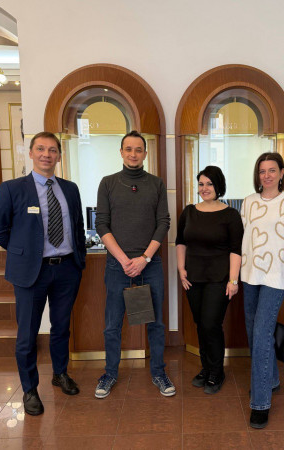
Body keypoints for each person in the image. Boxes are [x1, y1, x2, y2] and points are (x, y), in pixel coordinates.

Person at [0, 132, 86, 416]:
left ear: (59, 156)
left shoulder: (70, 189)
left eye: (52, 150)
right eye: (41, 149)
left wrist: (78, 259)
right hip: (31, 272)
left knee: (61, 327)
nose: (47, 154)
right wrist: (23, 252)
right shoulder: (12, 189)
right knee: (28, 334)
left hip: (66, 269)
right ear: (30, 153)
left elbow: (77, 226)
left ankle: (60, 373)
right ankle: (30, 389)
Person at [94, 130, 174, 398]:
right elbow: (101, 224)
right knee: (112, 325)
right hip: (118, 267)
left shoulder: (156, 184)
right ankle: (109, 374)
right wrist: (124, 260)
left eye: (138, 149)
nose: (133, 154)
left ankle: (159, 372)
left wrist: (144, 259)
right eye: (128, 149)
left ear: (145, 153)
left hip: (150, 265)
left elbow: (163, 222)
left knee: (156, 323)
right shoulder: (108, 183)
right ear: (121, 152)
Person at [241, 152, 284, 429]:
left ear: (281, 173)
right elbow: (244, 239)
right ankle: (272, 379)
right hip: (250, 274)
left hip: (276, 276)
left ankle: (260, 403)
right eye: (262, 171)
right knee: (252, 330)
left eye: (271, 170)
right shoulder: (248, 202)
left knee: (261, 333)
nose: (266, 175)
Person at [176, 166, 243, 394]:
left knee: (210, 324)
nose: (205, 188)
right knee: (200, 324)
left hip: (219, 278)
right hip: (192, 278)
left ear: (219, 186)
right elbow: (180, 242)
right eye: (201, 184)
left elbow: (236, 250)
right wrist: (181, 268)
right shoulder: (189, 211)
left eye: (210, 184)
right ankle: (206, 368)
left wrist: (233, 281)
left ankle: (216, 371)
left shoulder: (230, 215)